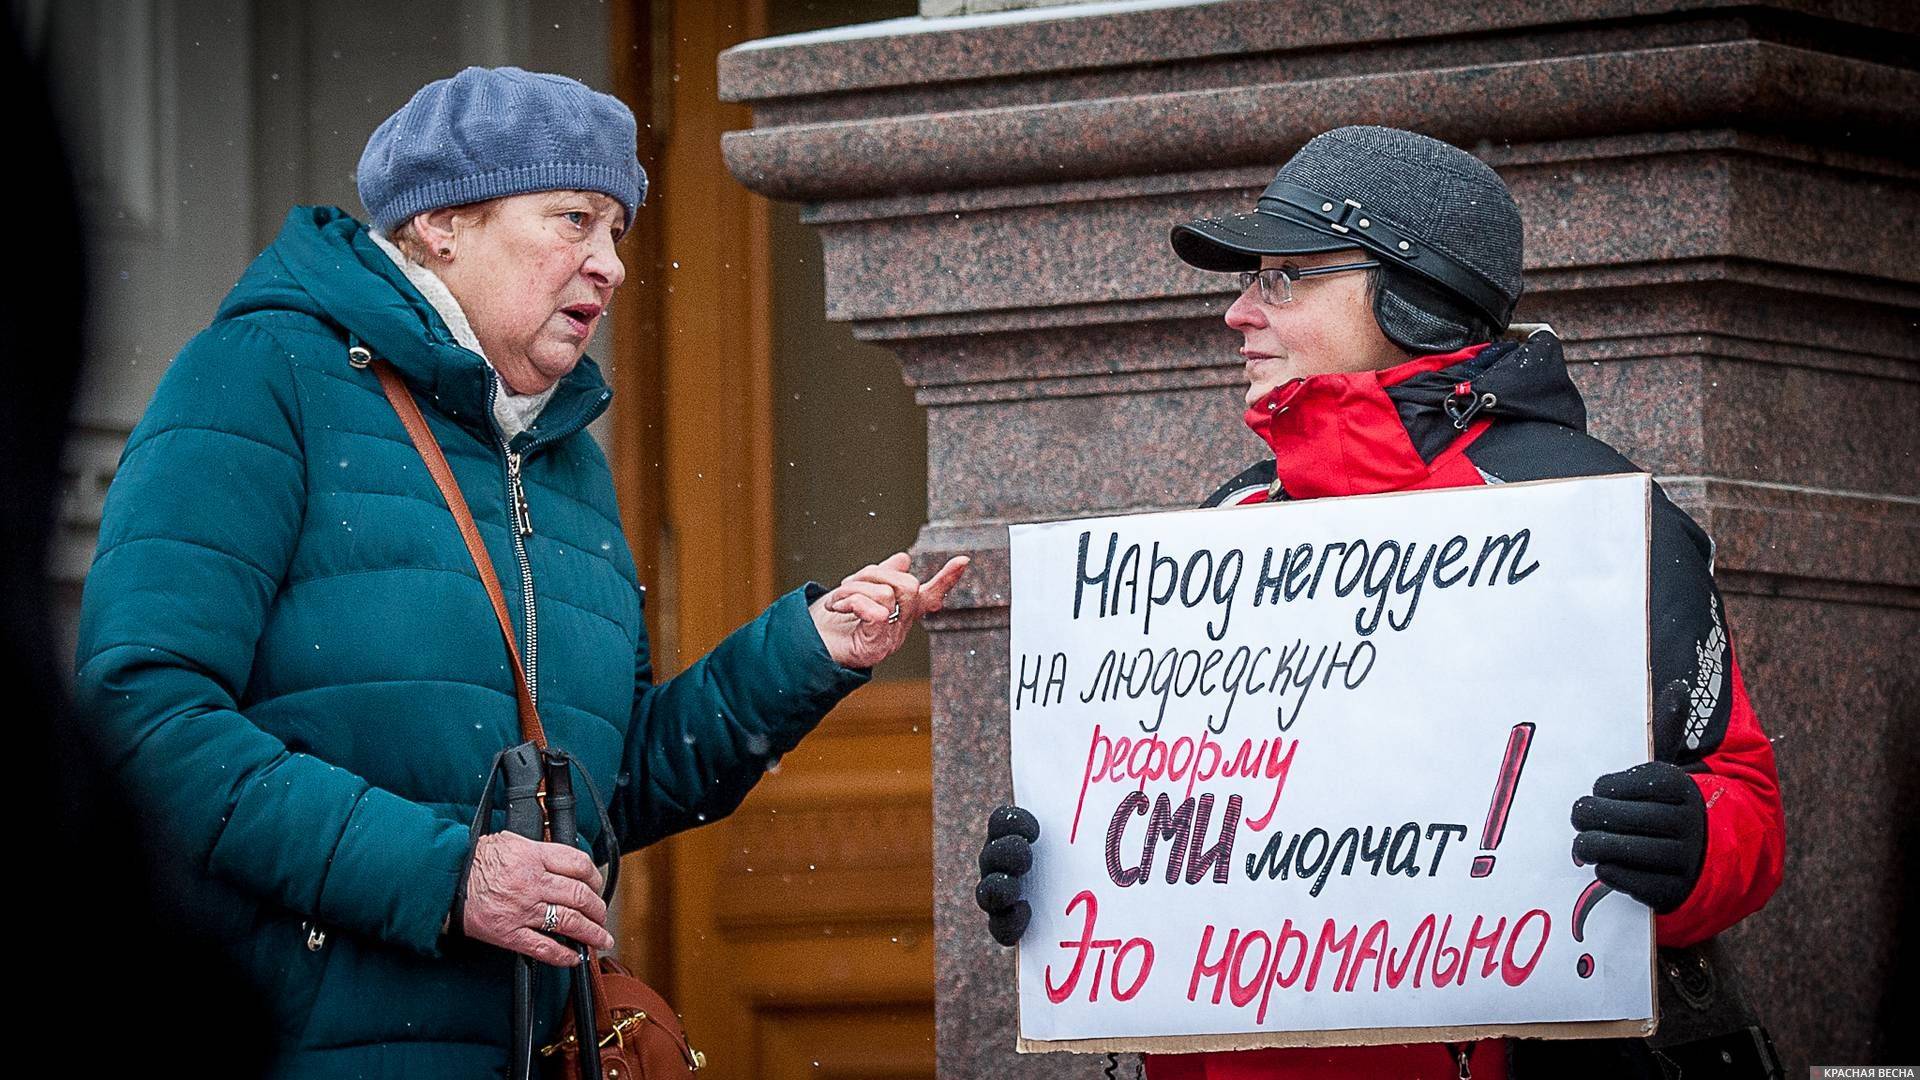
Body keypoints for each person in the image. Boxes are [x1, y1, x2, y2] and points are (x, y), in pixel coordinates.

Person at [73, 66, 967, 1078]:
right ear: (443, 222)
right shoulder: (262, 377)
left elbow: (608, 784)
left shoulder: (562, 456)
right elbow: (140, 720)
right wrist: (447, 874)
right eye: (574, 218)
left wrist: (807, 652)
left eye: (618, 232)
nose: (611, 265)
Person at [974, 126, 1783, 1079]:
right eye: (1250, 280)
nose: (1239, 312)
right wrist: (1069, 876)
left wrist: (1688, 850)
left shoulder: (1588, 513)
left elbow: (1745, 802)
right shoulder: (1231, 521)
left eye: (1284, 278)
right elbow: (1181, 810)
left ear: (1416, 299)